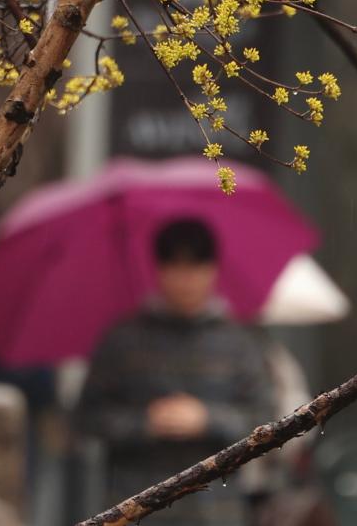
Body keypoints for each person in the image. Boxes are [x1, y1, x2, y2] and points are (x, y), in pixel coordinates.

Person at [75, 218, 273, 526]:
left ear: (213, 270)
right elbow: (87, 418)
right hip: (135, 506)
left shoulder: (240, 345)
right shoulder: (122, 341)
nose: (185, 279)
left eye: (195, 267)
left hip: (217, 511)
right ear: (158, 269)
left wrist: (207, 419)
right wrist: (145, 422)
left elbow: (266, 421)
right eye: (175, 267)